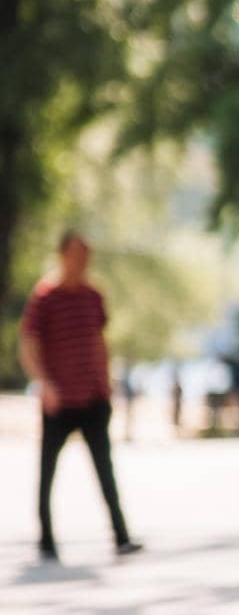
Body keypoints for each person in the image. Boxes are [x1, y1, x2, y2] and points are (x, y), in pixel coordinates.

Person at [19, 231, 142, 563]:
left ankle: (121, 535)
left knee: (105, 468)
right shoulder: (44, 297)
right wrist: (44, 384)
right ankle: (46, 539)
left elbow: (100, 341)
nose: (82, 262)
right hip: (58, 401)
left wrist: (106, 383)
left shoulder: (92, 296)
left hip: (92, 398)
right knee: (47, 472)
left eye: (86, 256)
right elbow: (29, 345)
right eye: (77, 255)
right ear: (62, 256)